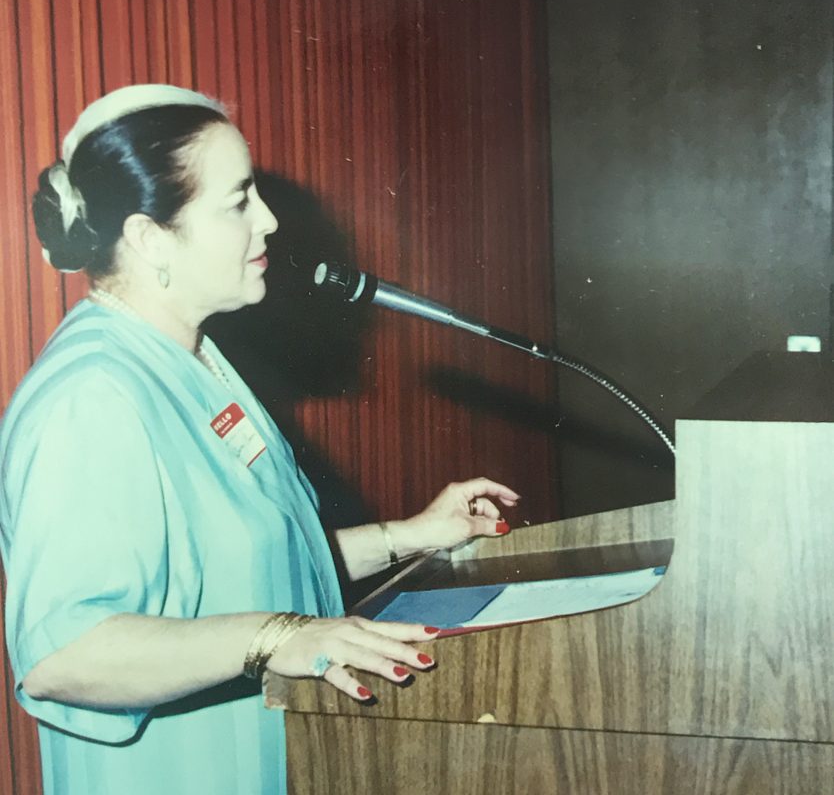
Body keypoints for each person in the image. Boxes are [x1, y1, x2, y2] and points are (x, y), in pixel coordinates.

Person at [0, 85, 519, 795]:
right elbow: (62, 654)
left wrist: (409, 535)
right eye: (238, 201)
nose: (269, 221)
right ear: (153, 237)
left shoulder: (192, 358)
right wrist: (278, 638)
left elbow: (244, 569)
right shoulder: (92, 395)